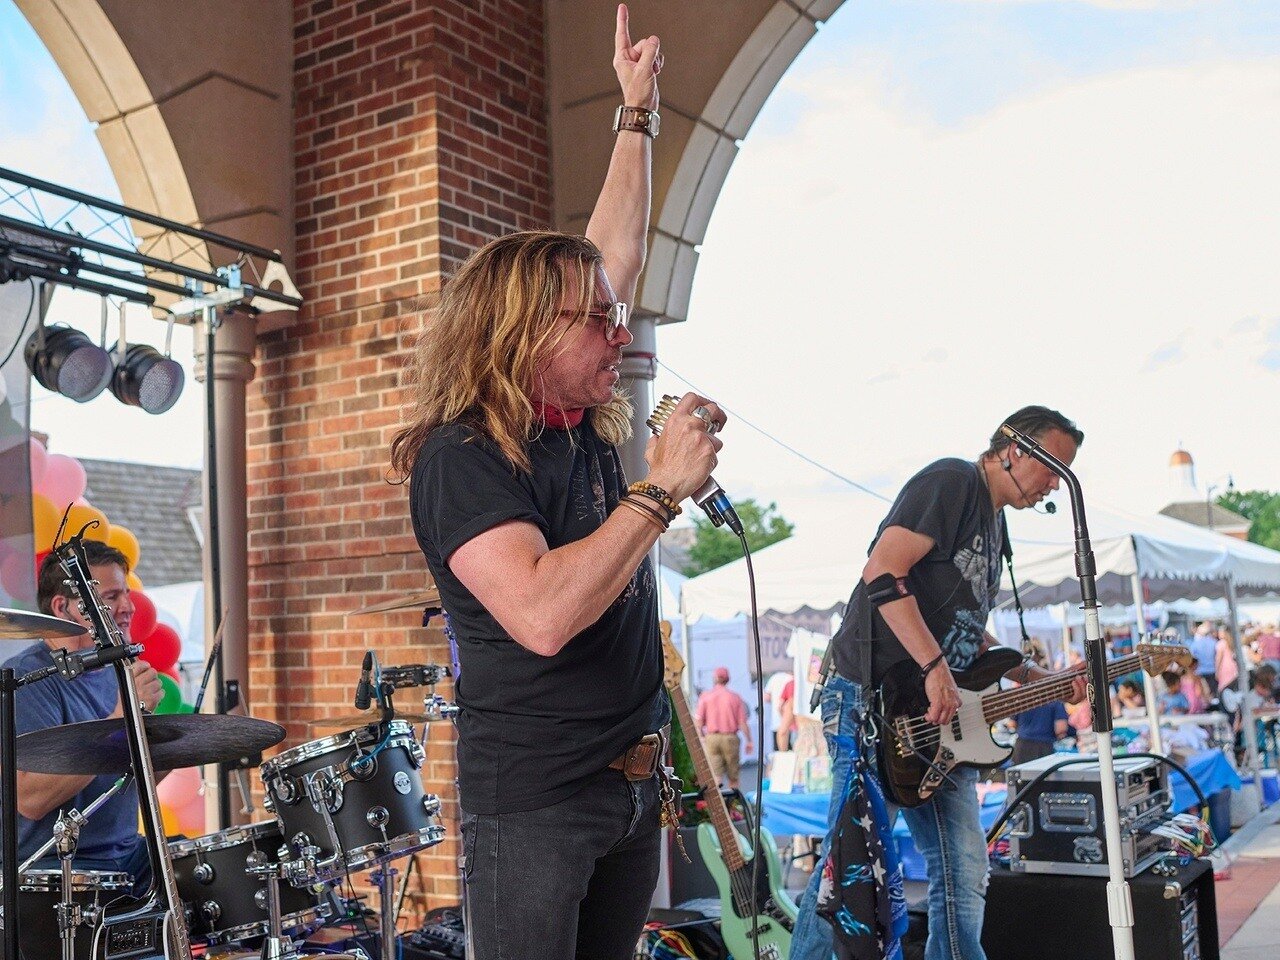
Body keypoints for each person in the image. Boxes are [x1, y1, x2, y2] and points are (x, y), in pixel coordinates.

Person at [390, 9, 717, 957]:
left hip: (628, 786)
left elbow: (613, 253)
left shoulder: (570, 417)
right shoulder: (462, 457)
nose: (622, 333)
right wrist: (657, 493)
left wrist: (635, 114)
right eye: (596, 324)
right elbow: (539, 614)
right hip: (536, 804)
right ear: (525, 334)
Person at [790, 405, 1087, 960]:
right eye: (1051, 465)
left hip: (939, 715)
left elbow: (966, 632)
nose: (1054, 482)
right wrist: (934, 668)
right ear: (1014, 448)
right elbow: (882, 569)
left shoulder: (996, 527)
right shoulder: (951, 482)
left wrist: (1035, 677)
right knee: (853, 863)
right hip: (873, 696)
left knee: (964, 867)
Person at [6, 542, 162, 894]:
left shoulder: (114, 671)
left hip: (125, 854)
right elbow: (31, 800)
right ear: (64, 607)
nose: (128, 607)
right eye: (111, 597)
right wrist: (123, 717)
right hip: (58, 865)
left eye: (127, 594)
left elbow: (136, 779)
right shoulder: (27, 679)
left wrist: (180, 739)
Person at [694, 666, 753, 789]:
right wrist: (749, 740)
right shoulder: (734, 697)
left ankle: (717, 803)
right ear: (728, 680)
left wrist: (701, 737)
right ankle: (733, 803)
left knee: (716, 776)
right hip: (730, 738)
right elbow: (742, 722)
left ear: (714, 679)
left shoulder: (705, 696)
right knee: (733, 776)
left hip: (712, 738)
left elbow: (698, 721)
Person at [1188, 622, 1219, 695]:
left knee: (1205, 694)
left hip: (1200, 671)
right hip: (1212, 670)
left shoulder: (1195, 644)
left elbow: (1191, 657)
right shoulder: (1214, 642)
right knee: (1214, 693)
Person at [1216, 627, 1240, 693]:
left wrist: (1217, 670)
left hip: (1224, 667)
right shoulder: (1231, 642)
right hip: (1232, 666)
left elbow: (1219, 658)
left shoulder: (1221, 643)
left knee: (1224, 687)